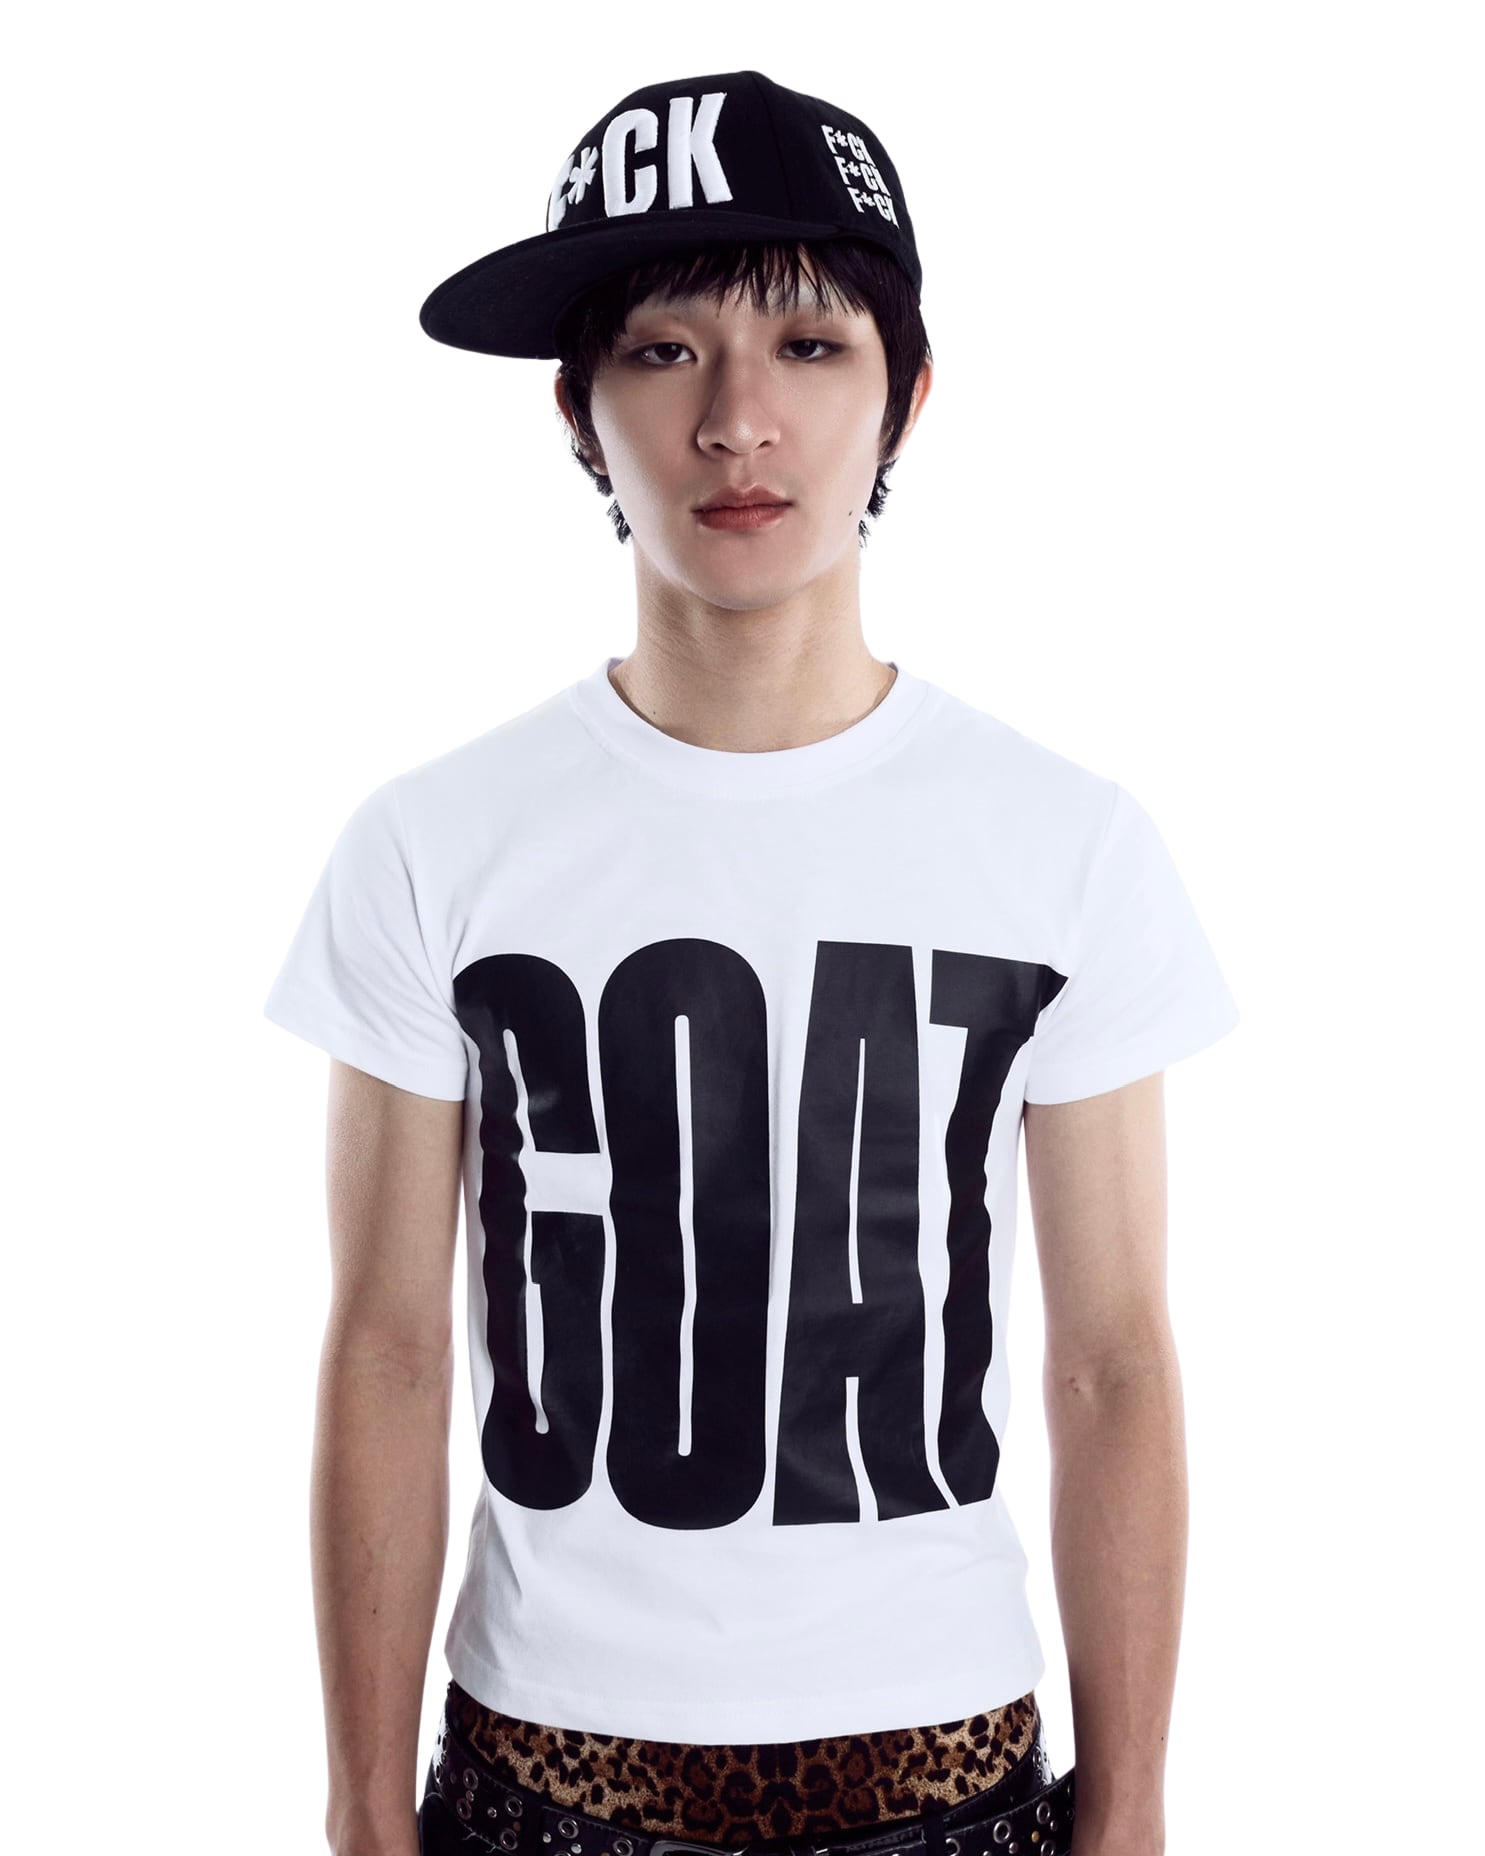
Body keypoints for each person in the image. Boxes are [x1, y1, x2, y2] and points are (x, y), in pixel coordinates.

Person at [263, 68, 1240, 1856]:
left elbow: (1109, 1358)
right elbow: (390, 1350)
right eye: (662, 351)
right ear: (577, 410)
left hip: (943, 1776)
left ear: (905, 395)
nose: (735, 423)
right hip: (541, 1777)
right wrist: (356, 1808)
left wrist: (1131, 1810)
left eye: (807, 346)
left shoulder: (1061, 840)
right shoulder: (436, 840)